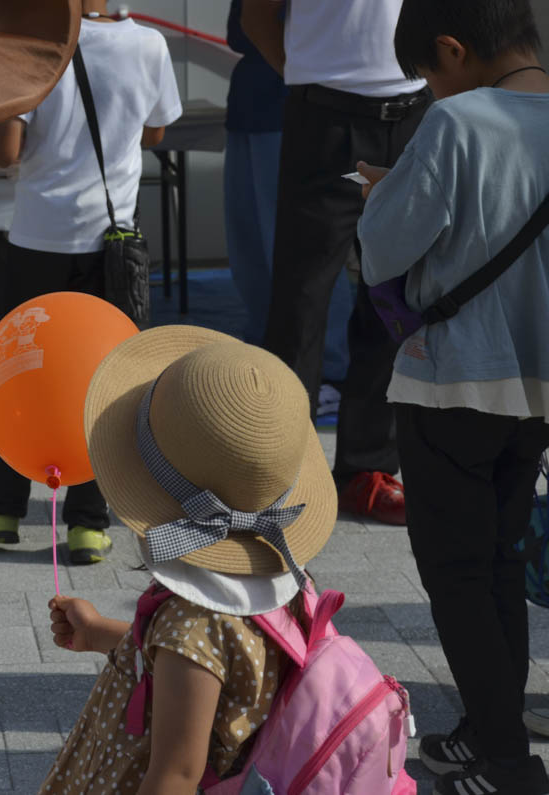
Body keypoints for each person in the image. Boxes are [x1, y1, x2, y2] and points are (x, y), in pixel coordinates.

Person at [356, 1, 549, 792]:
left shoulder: (457, 125)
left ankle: (507, 761)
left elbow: (384, 250)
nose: (433, 91)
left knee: (458, 573)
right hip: (536, 389)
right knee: (501, 561)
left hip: (452, 383)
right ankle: (486, 726)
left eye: (431, 75)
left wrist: (382, 192)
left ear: (453, 49)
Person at [38, 326, 337, 794]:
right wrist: (100, 634)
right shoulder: (280, 583)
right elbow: (205, 675)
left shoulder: (194, 623)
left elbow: (176, 774)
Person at [0, 1, 181, 564]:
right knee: (105, 381)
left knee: (14, 370)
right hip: (112, 244)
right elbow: (154, 130)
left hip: (38, 238)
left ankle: (1, 510)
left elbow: (5, 152)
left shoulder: (38, 46)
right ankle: (89, 523)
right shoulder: (150, 46)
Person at [242, 0, 431, 525]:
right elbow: (257, 17)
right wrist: (309, 78)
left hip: (412, 117)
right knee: (299, 305)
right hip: (325, 120)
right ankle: (282, 471)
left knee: (395, 300)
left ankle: (366, 471)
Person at [222, 0, 355, 395]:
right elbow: (242, 30)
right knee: (250, 250)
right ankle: (267, 352)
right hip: (251, 103)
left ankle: (332, 366)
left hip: (290, 108)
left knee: (302, 251)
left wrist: (299, 85)